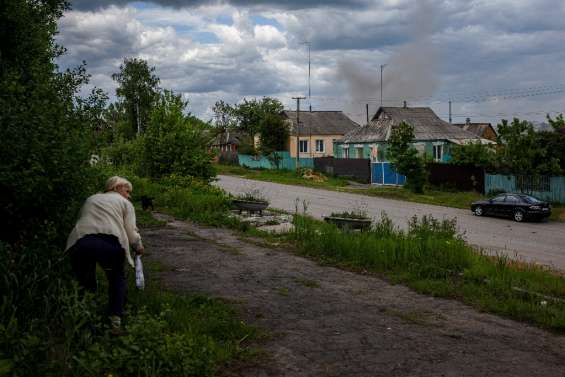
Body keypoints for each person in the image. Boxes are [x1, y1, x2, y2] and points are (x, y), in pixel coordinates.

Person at [66, 176, 144, 333]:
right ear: (116, 188)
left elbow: (82, 219)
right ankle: (115, 322)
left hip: (81, 241)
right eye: (127, 191)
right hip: (110, 243)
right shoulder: (125, 203)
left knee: (83, 282)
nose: (129, 196)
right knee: (116, 278)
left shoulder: (91, 199)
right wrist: (138, 246)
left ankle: (82, 322)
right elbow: (131, 231)